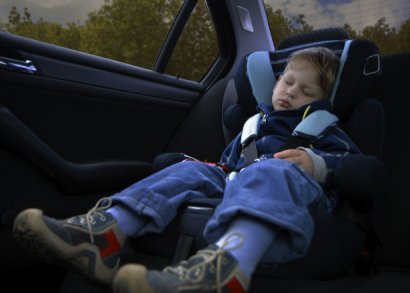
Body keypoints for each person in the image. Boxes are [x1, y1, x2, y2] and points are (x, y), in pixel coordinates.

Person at [13, 46, 361, 293]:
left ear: (322, 100)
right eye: (287, 81)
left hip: (296, 193)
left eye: (306, 90)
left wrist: (315, 163)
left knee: (270, 169)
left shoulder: (326, 129)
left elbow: (355, 167)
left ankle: (226, 269)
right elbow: (228, 166)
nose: (291, 92)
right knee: (190, 169)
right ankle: (103, 235)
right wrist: (206, 168)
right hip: (240, 180)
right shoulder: (253, 125)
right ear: (275, 81)